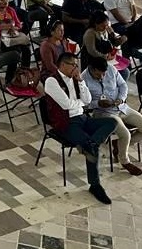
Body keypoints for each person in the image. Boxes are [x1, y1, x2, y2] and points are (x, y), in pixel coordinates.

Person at [40, 52, 117, 204]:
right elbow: (66, 105)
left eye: (77, 65)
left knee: (111, 123)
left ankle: (90, 145)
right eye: (73, 65)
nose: (76, 68)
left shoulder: (76, 78)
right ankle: (95, 185)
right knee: (92, 149)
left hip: (82, 118)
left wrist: (81, 81)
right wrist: (80, 103)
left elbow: (87, 100)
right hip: (65, 123)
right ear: (63, 65)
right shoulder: (51, 81)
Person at [83, 56, 142, 176]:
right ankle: (125, 161)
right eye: (98, 75)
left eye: (104, 74)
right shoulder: (83, 79)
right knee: (125, 134)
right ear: (91, 69)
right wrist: (97, 103)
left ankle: (118, 144)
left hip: (121, 108)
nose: (102, 77)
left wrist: (120, 99)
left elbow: (123, 85)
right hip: (104, 113)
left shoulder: (111, 69)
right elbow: (84, 104)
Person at [83, 11, 129, 79]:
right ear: (96, 24)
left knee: (125, 72)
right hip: (94, 60)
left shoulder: (108, 29)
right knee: (121, 73)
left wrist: (121, 40)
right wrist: (105, 56)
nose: (105, 28)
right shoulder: (90, 33)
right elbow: (92, 51)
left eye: (107, 25)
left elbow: (114, 42)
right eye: (102, 26)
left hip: (108, 59)